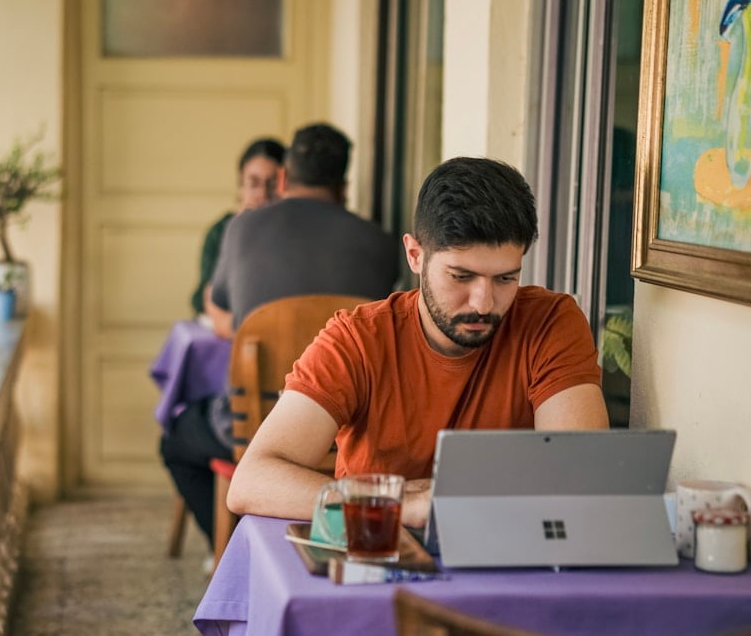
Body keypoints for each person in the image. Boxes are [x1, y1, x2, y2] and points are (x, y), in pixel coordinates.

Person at [225, 157, 610, 530]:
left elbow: (581, 478)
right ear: (415, 255)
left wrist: (435, 492)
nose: (484, 303)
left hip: (507, 552)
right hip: (378, 548)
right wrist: (401, 504)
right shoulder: (357, 339)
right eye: (461, 277)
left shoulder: (550, 322)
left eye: (505, 279)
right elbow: (251, 481)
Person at [161, 122, 400, 550]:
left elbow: (224, 307)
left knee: (176, 441)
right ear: (343, 186)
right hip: (346, 431)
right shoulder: (381, 244)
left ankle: (237, 548)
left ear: (284, 177)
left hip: (252, 428)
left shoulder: (243, 229)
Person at [193, 137, 286, 332]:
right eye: (253, 184)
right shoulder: (221, 231)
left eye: (272, 185)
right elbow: (204, 299)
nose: (262, 194)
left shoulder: (295, 233)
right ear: (240, 187)